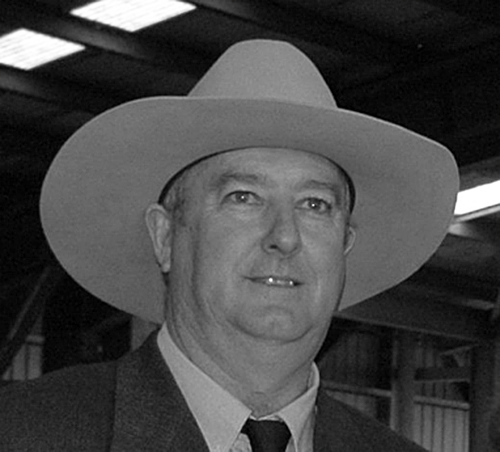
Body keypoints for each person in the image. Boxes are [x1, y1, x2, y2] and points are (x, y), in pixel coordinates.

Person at [0, 39, 458, 451]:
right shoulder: (24, 434)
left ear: (344, 246)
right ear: (165, 236)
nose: (285, 236)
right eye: (244, 197)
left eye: (315, 205)